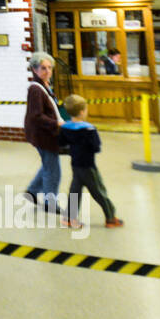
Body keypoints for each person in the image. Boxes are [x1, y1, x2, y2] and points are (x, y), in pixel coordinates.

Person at [58, 95, 123, 229]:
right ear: (82, 112)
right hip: (88, 166)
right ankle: (110, 218)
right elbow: (96, 147)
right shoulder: (89, 129)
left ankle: (70, 218)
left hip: (75, 165)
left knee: (75, 191)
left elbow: (61, 143)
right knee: (99, 192)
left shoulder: (65, 128)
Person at [22, 51, 63, 214]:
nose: (48, 71)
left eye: (50, 68)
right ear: (34, 69)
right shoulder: (36, 89)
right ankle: (49, 202)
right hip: (44, 134)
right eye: (43, 68)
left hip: (48, 133)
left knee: (49, 165)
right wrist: (56, 124)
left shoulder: (45, 86)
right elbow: (36, 116)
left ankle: (32, 191)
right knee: (53, 169)